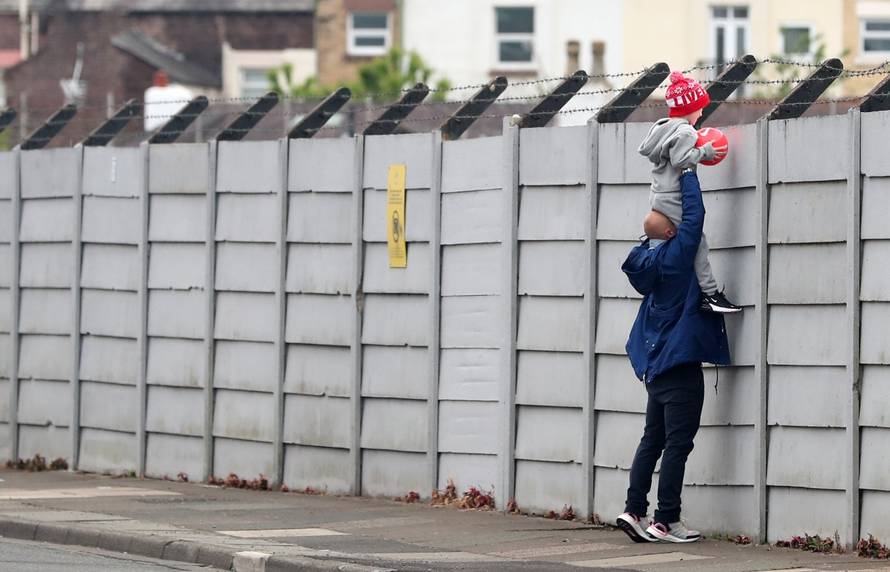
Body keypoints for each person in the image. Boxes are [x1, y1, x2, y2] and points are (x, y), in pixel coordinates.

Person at [615, 170, 731, 543]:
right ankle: (666, 520)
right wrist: (687, 173)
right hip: (680, 367)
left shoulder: (648, 261)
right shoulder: (679, 258)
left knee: (652, 439)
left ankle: (634, 510)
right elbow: (694, 219)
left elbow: (662, 225)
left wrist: (663, 199)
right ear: (671, 231)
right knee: (677, 445)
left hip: (656, 369)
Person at [638, 70, 741, 313]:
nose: (702, 112)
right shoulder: (685, 131)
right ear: (689, 108)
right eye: (700, 108)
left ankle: (666, 280)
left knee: (668, 241)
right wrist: (704, 152)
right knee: (697, 242)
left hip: (659, 194)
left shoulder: (662, 127)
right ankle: (710, 294)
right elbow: (680, 160)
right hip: (674, 196)